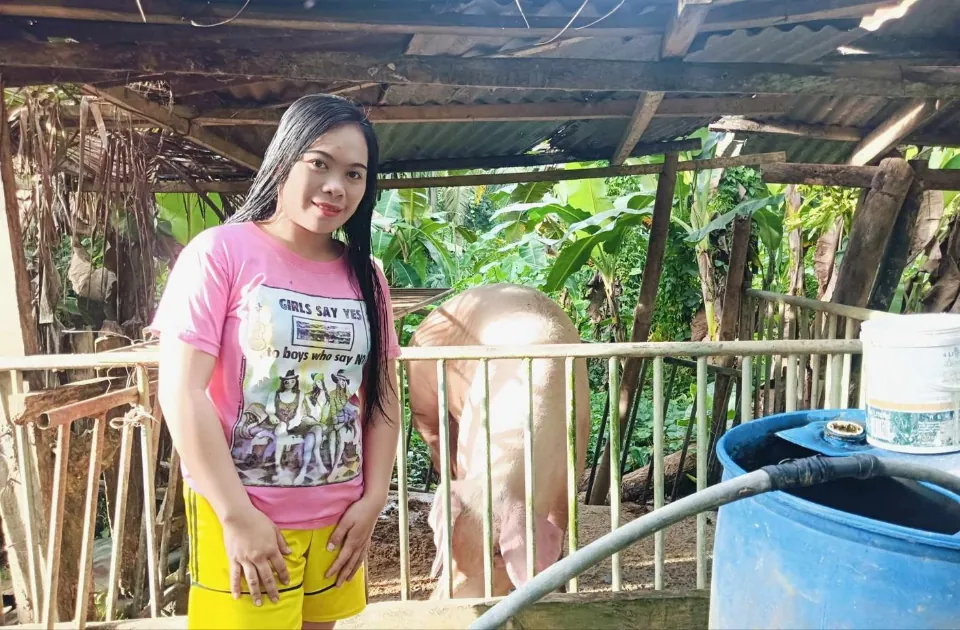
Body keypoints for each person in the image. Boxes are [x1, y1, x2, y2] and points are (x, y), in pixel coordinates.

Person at [150, 93, 401, 630]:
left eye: (354, 174)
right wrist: (237, 516)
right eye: (320, 163)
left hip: (340, 522)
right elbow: (181, 390)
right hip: (244, 516)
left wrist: (374, 499)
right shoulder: (219, 253)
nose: (336, 186)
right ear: (284, 159)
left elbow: (381, 396)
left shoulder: (367, 275)